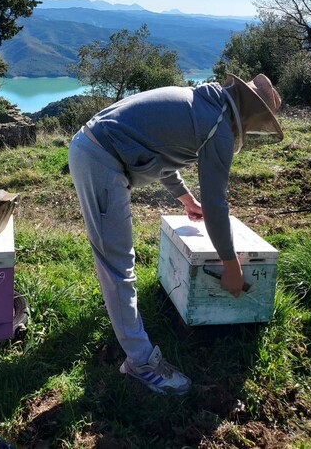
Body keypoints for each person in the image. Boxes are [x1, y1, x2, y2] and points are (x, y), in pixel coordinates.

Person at [68, 73, 283, 395]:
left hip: (99, 150)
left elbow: (162, 149)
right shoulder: (218, 127)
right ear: (250, 114)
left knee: (117, 261)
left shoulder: (200, 103)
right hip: (101, 160)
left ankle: (123, 321)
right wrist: (231, 264)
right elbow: (216, 201)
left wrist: (184, 198)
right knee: (117, 263)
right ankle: (140, 361)